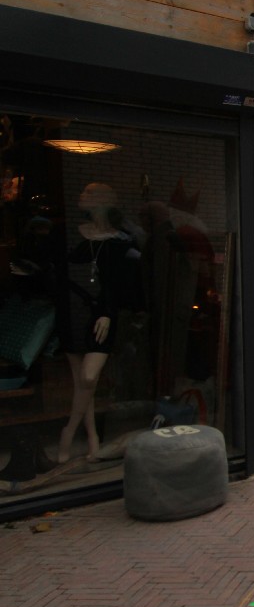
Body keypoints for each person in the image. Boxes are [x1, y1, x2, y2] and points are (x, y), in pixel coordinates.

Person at [56, 183, 140, 464]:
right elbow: (61, 272)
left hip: (102, 314)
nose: (82, 195)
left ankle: (68, 432)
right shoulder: (73, 233)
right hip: (73, 309)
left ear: (105, 200)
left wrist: (108, 311)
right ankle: (92, 437)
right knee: (82, 383)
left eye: (90, 192)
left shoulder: (121, 239)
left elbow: (121, 282)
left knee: (89, 377)